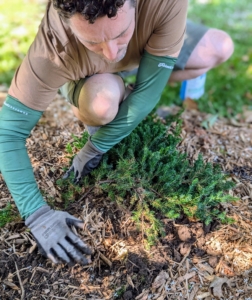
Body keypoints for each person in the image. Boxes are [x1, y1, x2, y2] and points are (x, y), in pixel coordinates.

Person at [0, 0, 234, 266]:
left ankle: (139, 77)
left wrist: (95, 147)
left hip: (144, 46)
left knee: (219, 47)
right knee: (102, 104)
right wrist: (37, 214)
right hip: (93, 75)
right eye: (94, 42)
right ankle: (97, 94)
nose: (111, 53)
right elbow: (7, 133)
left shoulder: (164, 4)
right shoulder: (53, 50)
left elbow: (147, 96)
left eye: (119, 33)